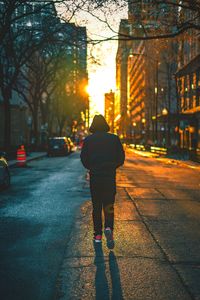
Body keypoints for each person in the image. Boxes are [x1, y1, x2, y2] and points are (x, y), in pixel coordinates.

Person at [80, 115, 125, 248]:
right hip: (109, 178)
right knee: (109, 206)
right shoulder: (114, 139)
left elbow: (84, 159)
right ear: (105, 125)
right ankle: (109, 228)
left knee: (96, 207)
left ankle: (98, 235)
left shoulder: (88, 140)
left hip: (95, 178)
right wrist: (111, 167)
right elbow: (121, 158)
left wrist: (92, 167)